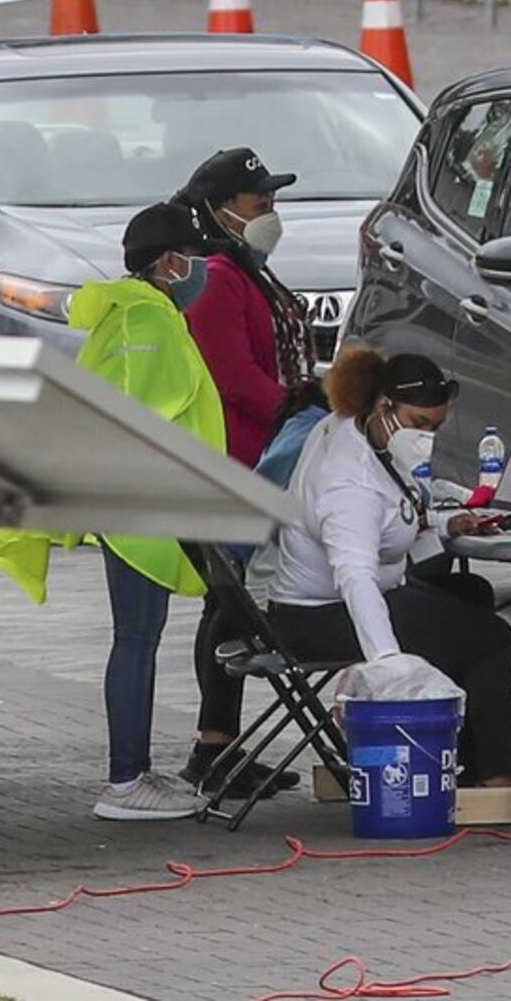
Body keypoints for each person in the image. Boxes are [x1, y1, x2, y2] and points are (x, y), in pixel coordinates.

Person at [0, 201, 225, 822]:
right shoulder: (148, 320)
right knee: (136, 640)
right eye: (193, 258)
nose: (201, 271)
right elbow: (145, 412)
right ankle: (125, 780)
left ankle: (132, 771)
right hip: (140, 506)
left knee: (137, 639)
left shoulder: (135, 313)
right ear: (169, 262)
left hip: (137, 504)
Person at [247, 346, 511, 786]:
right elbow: (355, 576)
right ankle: (497, 779)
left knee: (472, 597)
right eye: (419, 424)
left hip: (328, 600)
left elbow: (393, 513)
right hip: (318, 615)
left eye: (436, 427)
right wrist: (390, 663)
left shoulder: (357, 430)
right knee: (491, 639)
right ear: (384, 406)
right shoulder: (348, 480)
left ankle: (462, 760)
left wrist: (446, 521)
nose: (426, 436)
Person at [169, 145, 321, 800]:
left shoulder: (251, 272)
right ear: (220, 210)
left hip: (266, 457)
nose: (272, 212)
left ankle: (221, 745)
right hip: (238, 463)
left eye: (274, 201)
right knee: (225, 605)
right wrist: (298, 411)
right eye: (261, 202)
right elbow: (233, 377)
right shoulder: (218, 280)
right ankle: (213, 749)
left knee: (229, 607)